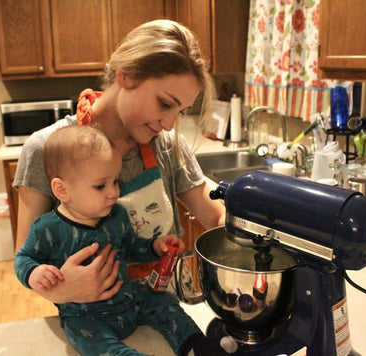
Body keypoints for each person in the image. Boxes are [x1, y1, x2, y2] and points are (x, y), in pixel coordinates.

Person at [13, 19, 225, 304]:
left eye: (180, 111)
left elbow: (214, 216)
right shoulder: (46, 149)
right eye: (165, 104)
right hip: (95, 320)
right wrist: (62, 289)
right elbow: (25, 257)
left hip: (169, 305)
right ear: (126, 75)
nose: (169, 124)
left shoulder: (167, 146)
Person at [15, 125, 231, 355]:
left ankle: (196, 345)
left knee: (164, 303)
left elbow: (131, 248)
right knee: (93, 343)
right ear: (62, 189)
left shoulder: (116, 215)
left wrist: (154, 247)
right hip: (85, 315)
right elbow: (23, 258)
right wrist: (34, 273)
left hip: (130, 298)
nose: (113, 193)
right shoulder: (47, 228)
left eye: (115, 182)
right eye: (100, 186)